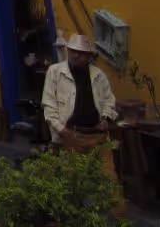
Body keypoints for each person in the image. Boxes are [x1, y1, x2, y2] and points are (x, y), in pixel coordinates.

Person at [42, 34, 121, 201]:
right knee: (72, 185)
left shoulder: (98, 75)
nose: (75, 55)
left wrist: (106, 118)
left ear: (88, 56)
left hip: (97, 136)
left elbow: (109, 99)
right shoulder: (55, 72)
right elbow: (48, 105)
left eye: (80, 52)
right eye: (72, 51)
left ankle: (119, 221)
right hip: (72, 135)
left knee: (109, 181)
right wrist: (61, 130)